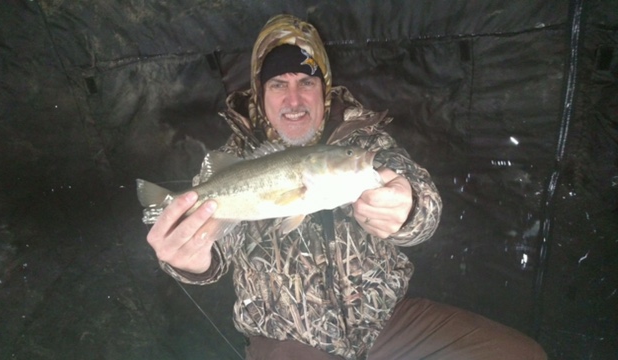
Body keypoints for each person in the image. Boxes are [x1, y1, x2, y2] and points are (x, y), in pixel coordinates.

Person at [145, 14, 547, 360]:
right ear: (260, 94)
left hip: (386, 324)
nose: (294, 99)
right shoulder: (230, 159)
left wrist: (409, 210)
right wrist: (190, 261)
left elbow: (420, 195)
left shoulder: (364, 142)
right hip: (287, 341)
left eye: (306, 81)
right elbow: (212, 248)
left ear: (324, 87)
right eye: (277, 84)